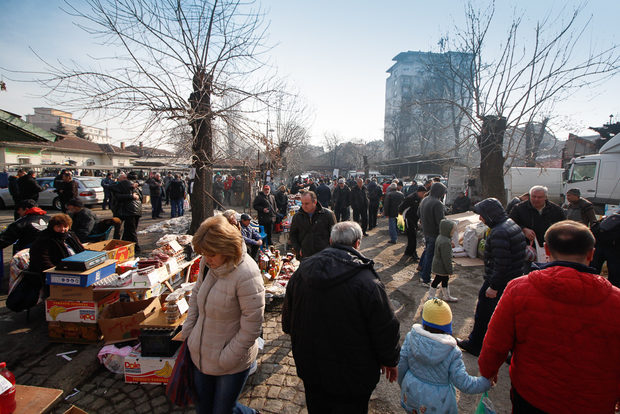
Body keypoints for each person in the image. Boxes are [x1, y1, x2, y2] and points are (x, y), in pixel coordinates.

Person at [478, 221, 620, 413]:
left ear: (546, 249)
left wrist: (488, 371)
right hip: (594, 401)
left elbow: (496, 341)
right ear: (591, 254)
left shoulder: (520, 288)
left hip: (532, 395)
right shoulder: (616, 301)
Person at [283, 221, 400, 413]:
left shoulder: (303, 270)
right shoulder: (367, 281)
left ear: (330, 241)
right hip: (353, 374)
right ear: (357, 244)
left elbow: (288, 321)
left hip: (312, 366)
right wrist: (390, 359)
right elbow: (385, 325)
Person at [182, 215, 264, 414]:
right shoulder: (207, 263)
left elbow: (252, 325)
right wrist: (189, 332)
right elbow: (196, 296)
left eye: (211, 254)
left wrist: (226, 357)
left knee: (223, 410)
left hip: (231, 362)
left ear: (226, 248)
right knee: (203, 408)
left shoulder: (247, 274)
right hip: (201, 352)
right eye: (204, 254)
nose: (206, 259)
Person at [457, 198, 526, 357]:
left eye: (482, 215)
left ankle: (476, 344)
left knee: (484, 313)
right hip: (511, 278)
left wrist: (493, 286)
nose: (480, 219)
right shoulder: (510, 224)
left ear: (490, 214)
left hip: (499, 281)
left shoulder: (499, 232)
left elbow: (501, 263)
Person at [398, 298, 491, 414]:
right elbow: (464, 383)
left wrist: (404, 384)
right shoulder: (452, 351)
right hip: (438, 403)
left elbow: (401, 366)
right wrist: (486, 383)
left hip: (411, 392)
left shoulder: (411, 337)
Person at [509, 185, 565, 272]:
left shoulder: (556, 210)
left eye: (539, 197)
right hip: (527, 250)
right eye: (533, 197)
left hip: (550, 249)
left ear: (545, 197)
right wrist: (523, 229)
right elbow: (510, 224)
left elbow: (564, 226)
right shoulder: (519, 208)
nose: (536, 199)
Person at [28, 213, 85, 288]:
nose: (63, 229)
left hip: (73, 268)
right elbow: (42, 261)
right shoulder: (44, 239)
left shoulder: (70, 236)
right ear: (52, 227)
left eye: (65, 226)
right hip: (56, 274)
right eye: (59, 227)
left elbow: (81, 251)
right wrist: (58, 272)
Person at [289, 191, 337, 261]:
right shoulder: (297, 217)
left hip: (324, 256)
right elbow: (293, 235)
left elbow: (335, 236)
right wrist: (298, 249)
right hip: (305, 256)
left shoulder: (328, 214)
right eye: (302, 203)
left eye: (307, 203)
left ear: (314, 202)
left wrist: (330, 251)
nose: (304, 206)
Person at [417, 182, 447, 284]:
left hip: (426, 231)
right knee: (430, 256)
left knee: (427, 251)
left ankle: (421, 268)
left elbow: (418, 214)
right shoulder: (437, 203)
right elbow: (441, 222)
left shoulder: (425, 199)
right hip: (434, 233)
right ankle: (425, 278)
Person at [110, 173, 143, 253]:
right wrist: (132, 195)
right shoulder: (136, 185)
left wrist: (131, 196)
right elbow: (140, 197)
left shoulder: (123, 184)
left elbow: (116, 196)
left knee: (128, 231)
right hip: (135, 210)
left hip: (128, 211)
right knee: (130, 230)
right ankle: (128, 247)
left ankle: (134, 248)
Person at [429, 219, 458, 302]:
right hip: (442, 266)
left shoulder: (441, 237)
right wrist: (450, 270)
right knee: (437, 280)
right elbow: (446, 258)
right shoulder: (445, 242)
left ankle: (446, 295)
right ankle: (431, 296)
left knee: (444, 280)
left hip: (438, 264)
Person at [590, 212, 620, 287]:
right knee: (615, 275)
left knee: (593, 270)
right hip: (614, 249)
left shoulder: (608, 217)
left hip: (598, 245)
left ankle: (591, 286)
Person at [399, 185, 425, 261]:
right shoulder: (410, 198)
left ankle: (409, 252)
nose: (423, 195)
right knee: (412, 236)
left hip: (414, 219)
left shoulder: (420, 198)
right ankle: (413, 253)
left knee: (412, 237)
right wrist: (403, 219)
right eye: (423, 193)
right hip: (408, 219)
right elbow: (401, 208)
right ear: (419, 192)